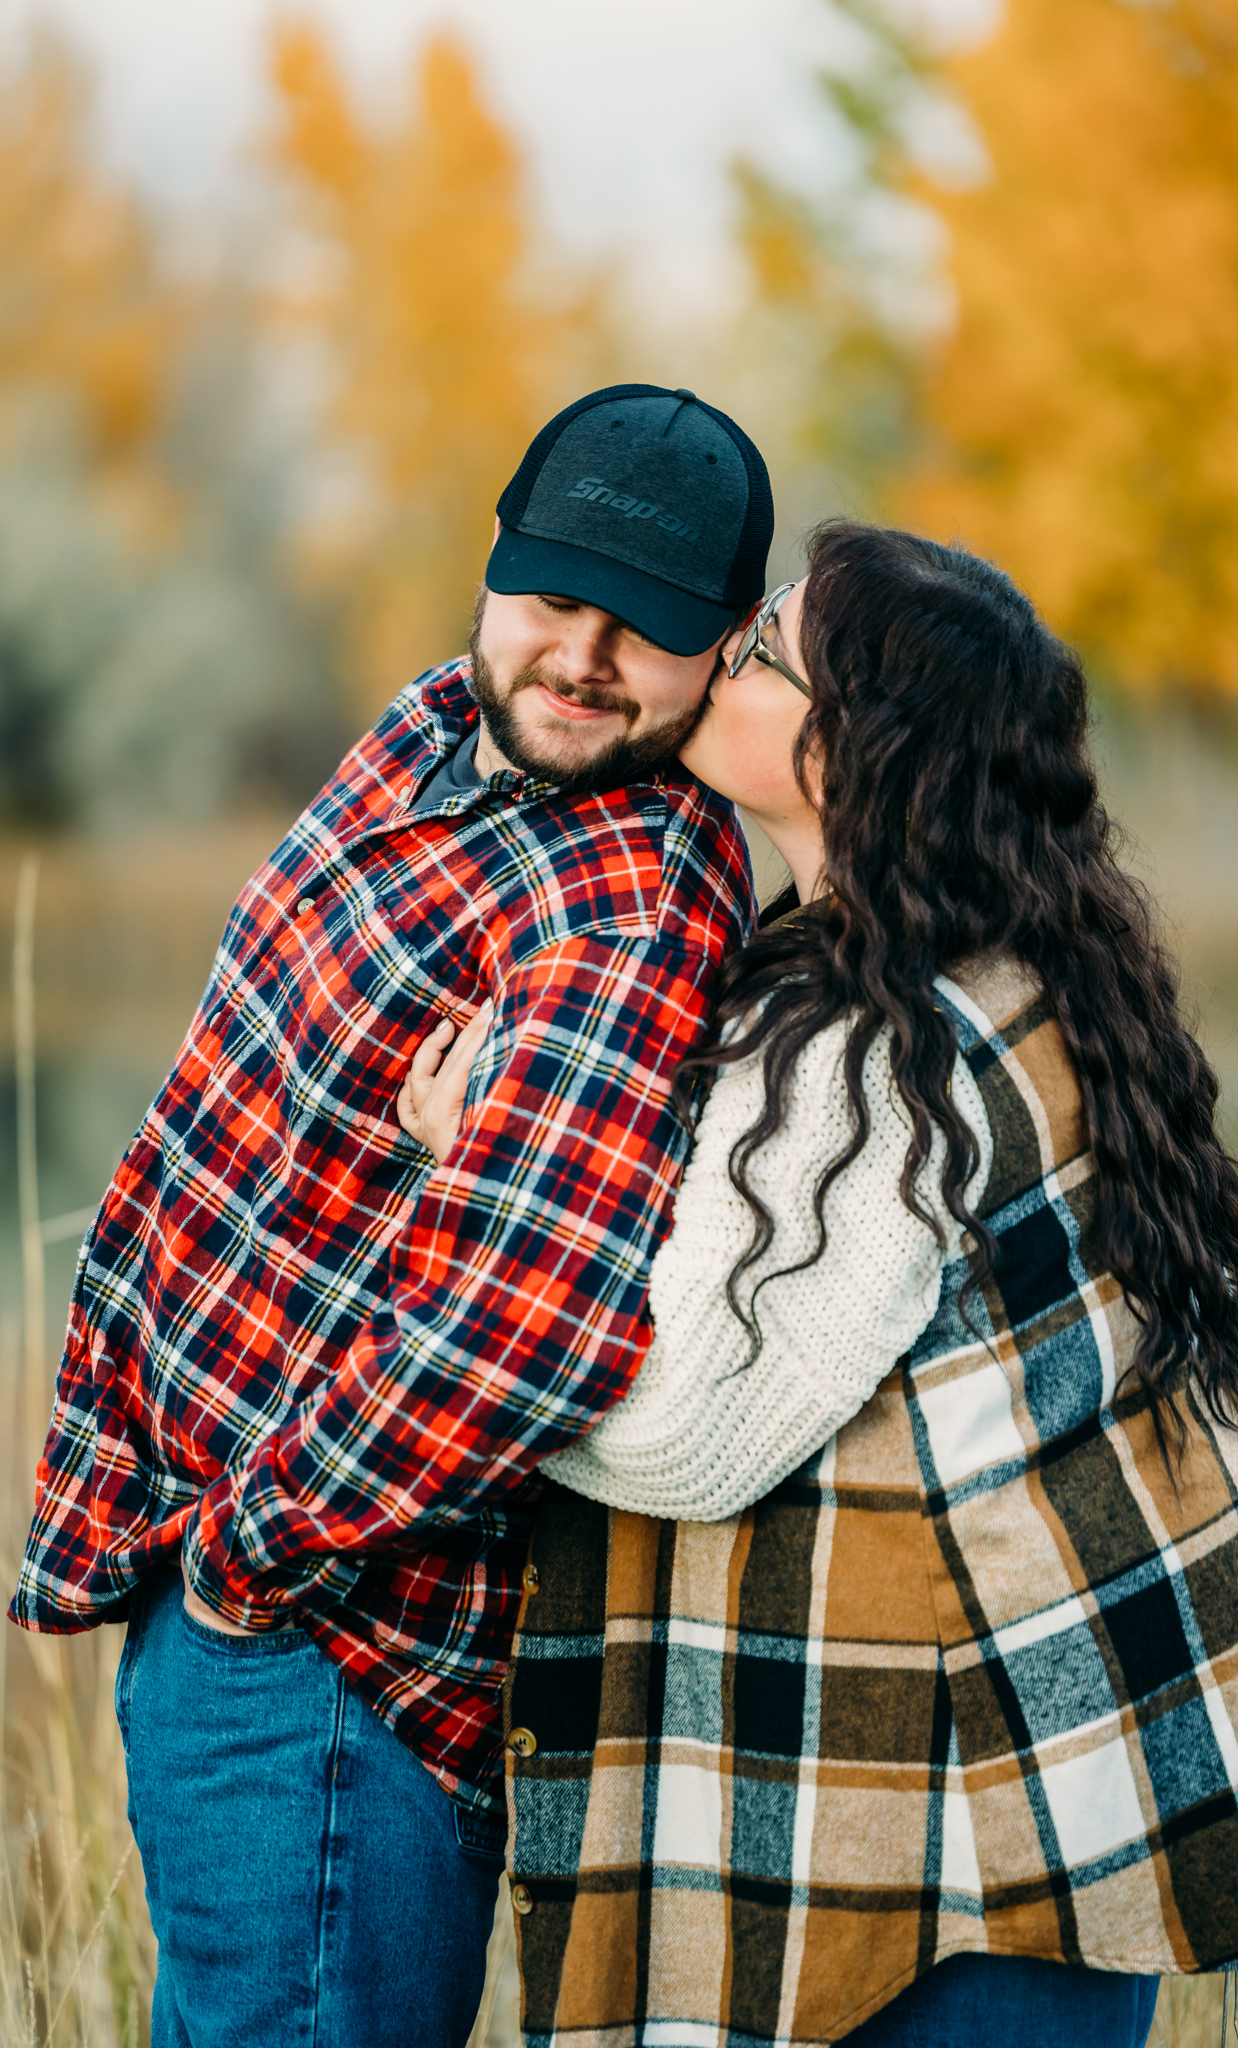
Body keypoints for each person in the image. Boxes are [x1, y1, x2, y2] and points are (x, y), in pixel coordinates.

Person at [411, 523, 1238, 2048]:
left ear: (861, 748)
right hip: (1084, 1743)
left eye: (769, 650)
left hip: (974, 1812)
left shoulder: (880, 1052)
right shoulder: (1018, 960)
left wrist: (476, 1190)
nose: (726, 655)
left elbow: (687, 1439)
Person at [9, 383, 775, 2048]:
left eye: (649, 631)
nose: (586, 654)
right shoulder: (430, 722)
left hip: (327, 1656)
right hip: (214, 1588)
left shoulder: (628, 900)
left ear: (722, 653)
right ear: (496, 559)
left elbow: (523, 1330)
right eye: (561, 596)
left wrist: (238, 1564)